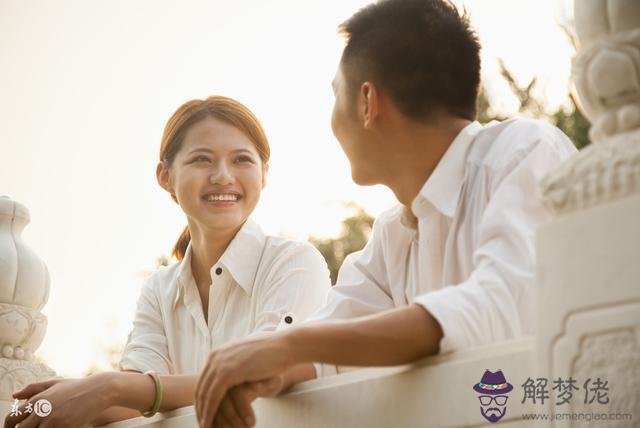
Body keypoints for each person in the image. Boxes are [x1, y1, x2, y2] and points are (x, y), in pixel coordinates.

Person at [193, 1, 578, 427]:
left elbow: (497, 305)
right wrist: (260, 372)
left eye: (335, 93)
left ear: (367, 102)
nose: (331, 120)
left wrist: (288, 346)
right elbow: (328, 353)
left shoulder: (525, 152)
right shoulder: (394, 232)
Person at [4, 96, 330, 428]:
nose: (222, 176)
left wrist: (108, 386)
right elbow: (133, 401)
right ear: (165, 176)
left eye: (242, 160)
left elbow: (259, 374)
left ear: (264, 175)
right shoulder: (160, 289)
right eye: (202, 159)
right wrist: (49, 402)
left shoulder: (294, 264)